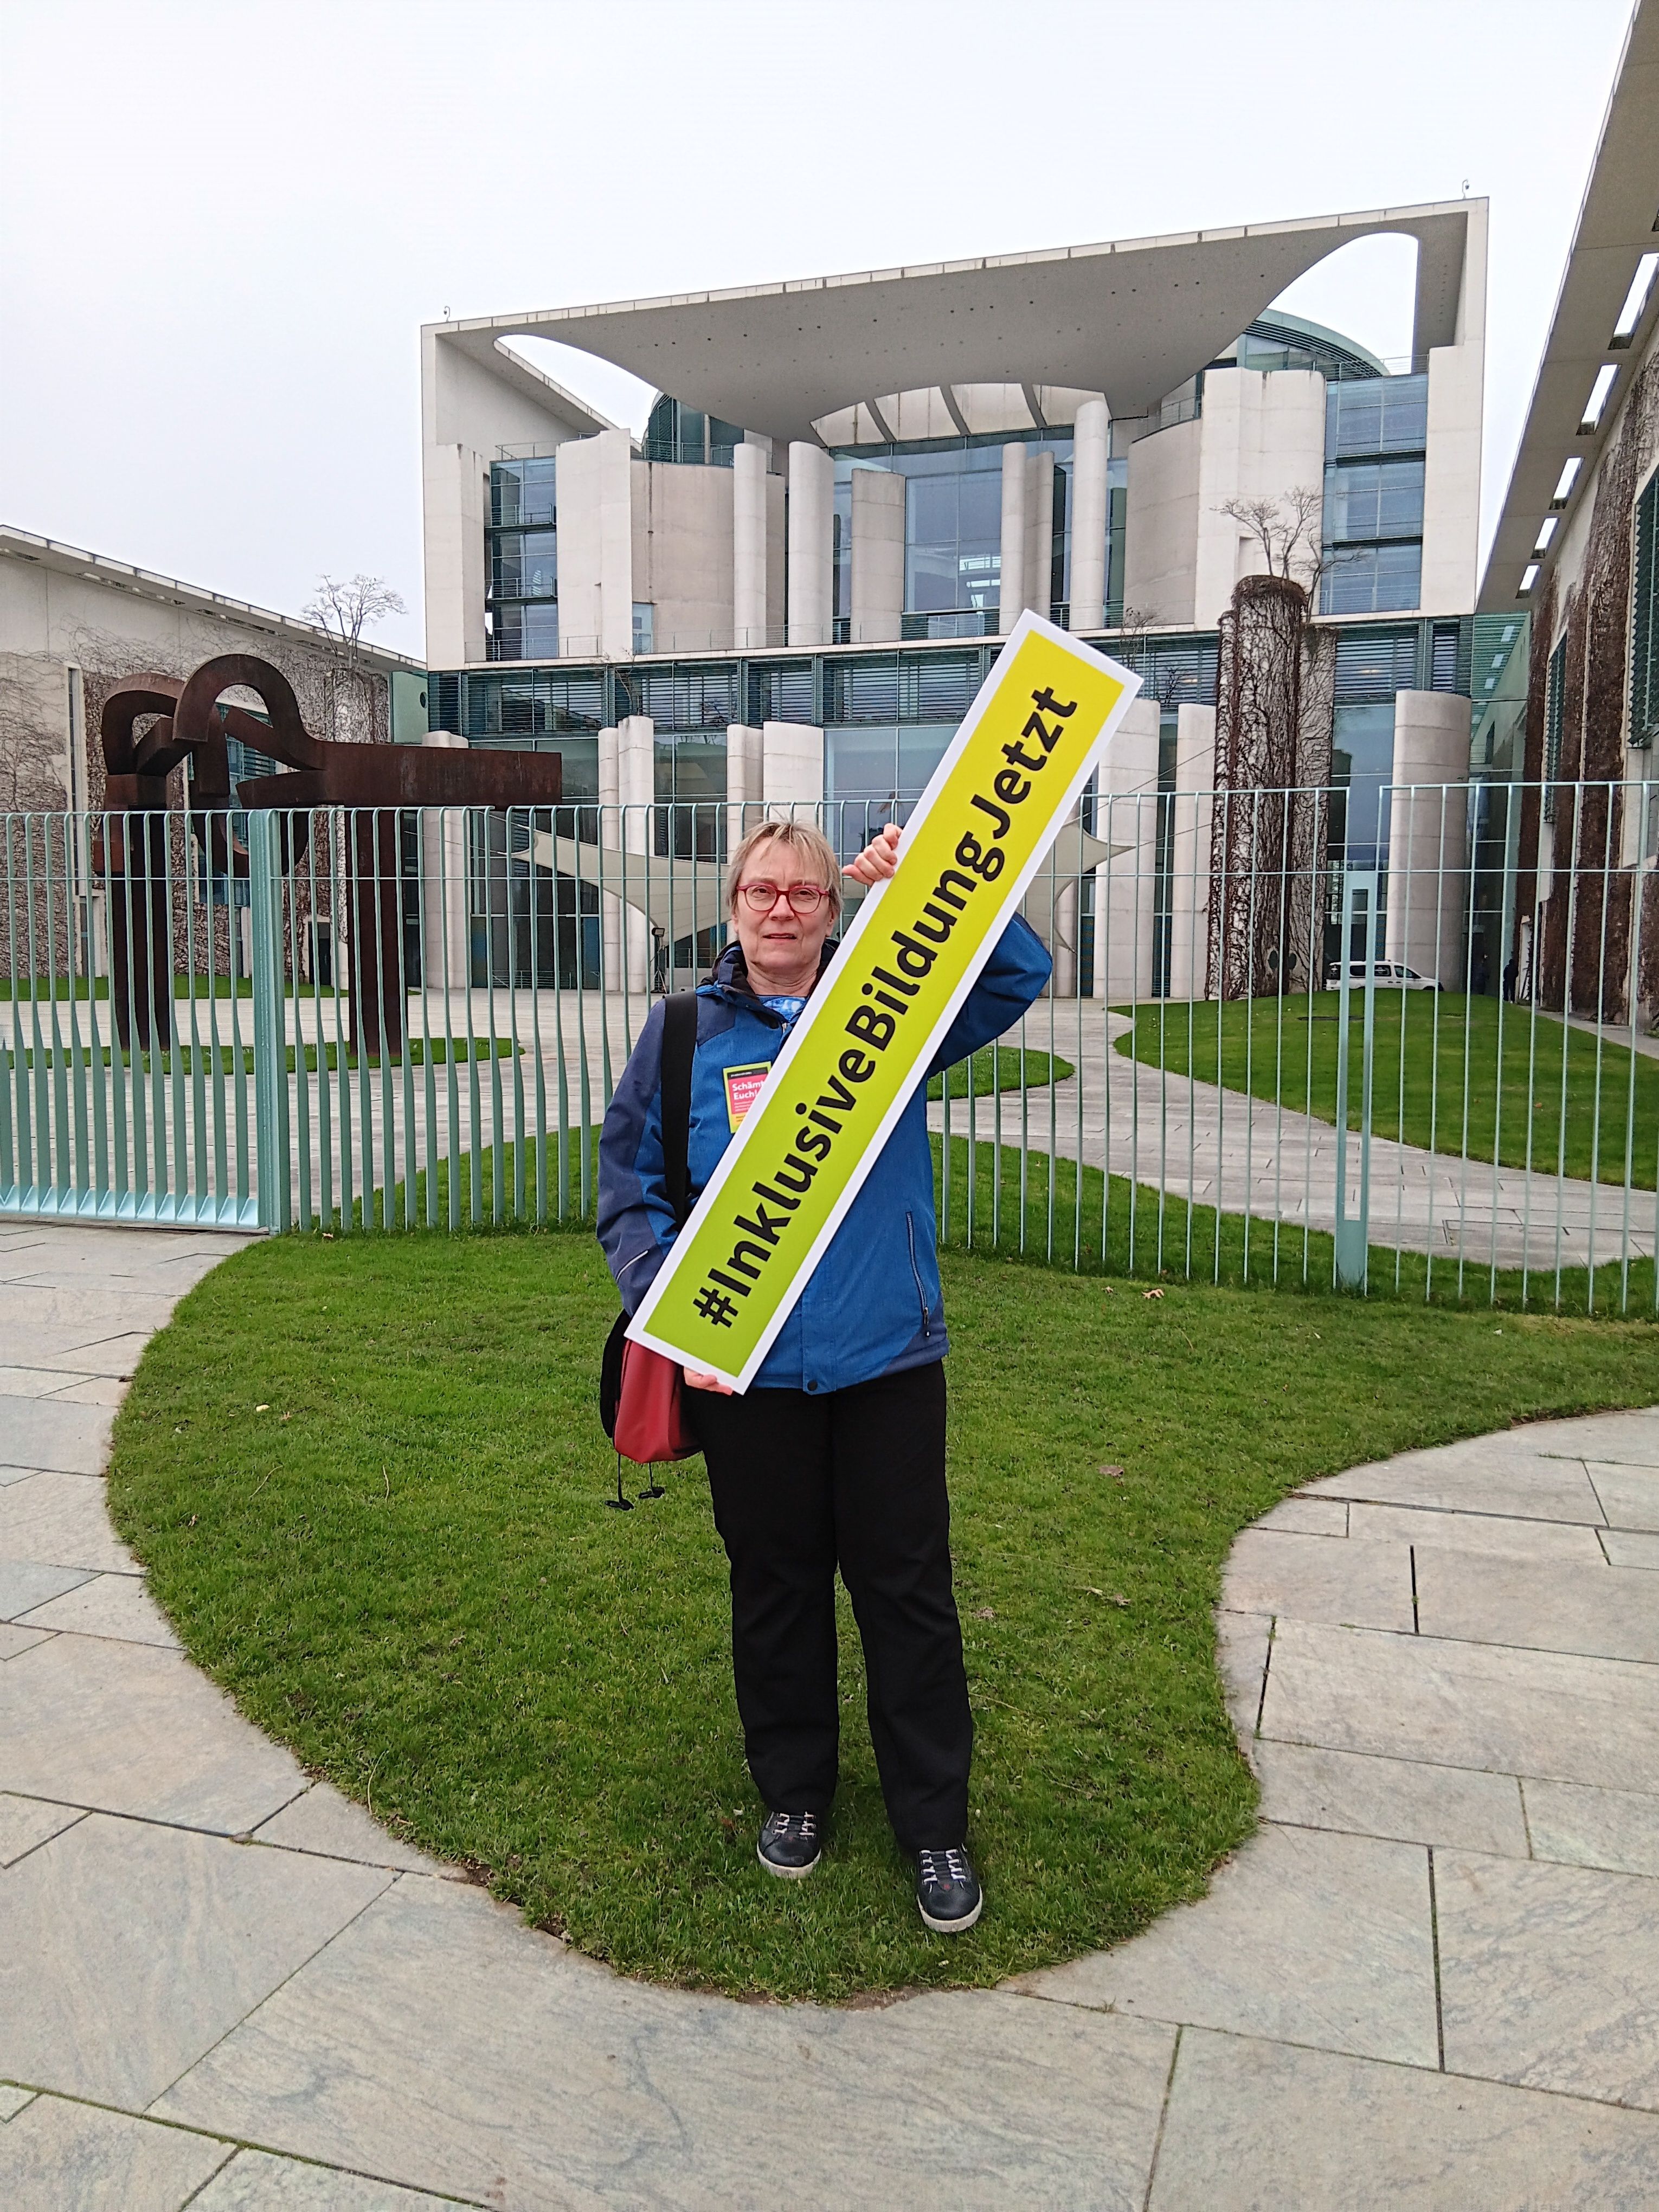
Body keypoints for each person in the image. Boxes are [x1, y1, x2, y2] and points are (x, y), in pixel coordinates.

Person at [598, 816, 1051, 1933]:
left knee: (908, 1592)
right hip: (744, 1373)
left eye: (804, 893)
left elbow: (1016, 977)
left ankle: (934, 1826)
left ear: (832, 909)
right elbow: (631, 1191)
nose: (782, 910)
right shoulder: (680, 1033)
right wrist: (683, 1321)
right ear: (734, 906)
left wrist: (931, 879)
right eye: (763, 891)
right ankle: (794, 1793)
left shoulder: (887, 1013)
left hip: (887, 1356)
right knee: (776, 1586)